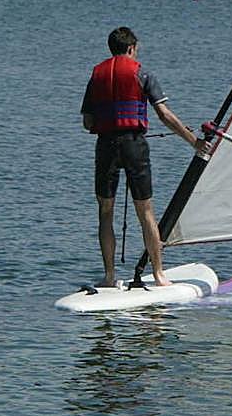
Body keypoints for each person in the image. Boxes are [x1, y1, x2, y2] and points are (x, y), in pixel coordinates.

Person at [81, 27, 201, 287]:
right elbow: (165, 115)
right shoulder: (142, 73)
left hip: (106, 146)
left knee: (105, 211)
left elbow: (87, 121)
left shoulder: (96, 75)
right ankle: (159, 274)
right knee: (145, 211)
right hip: (134, 145)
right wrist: (193, 141)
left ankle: (110, 277)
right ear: (131, 48)